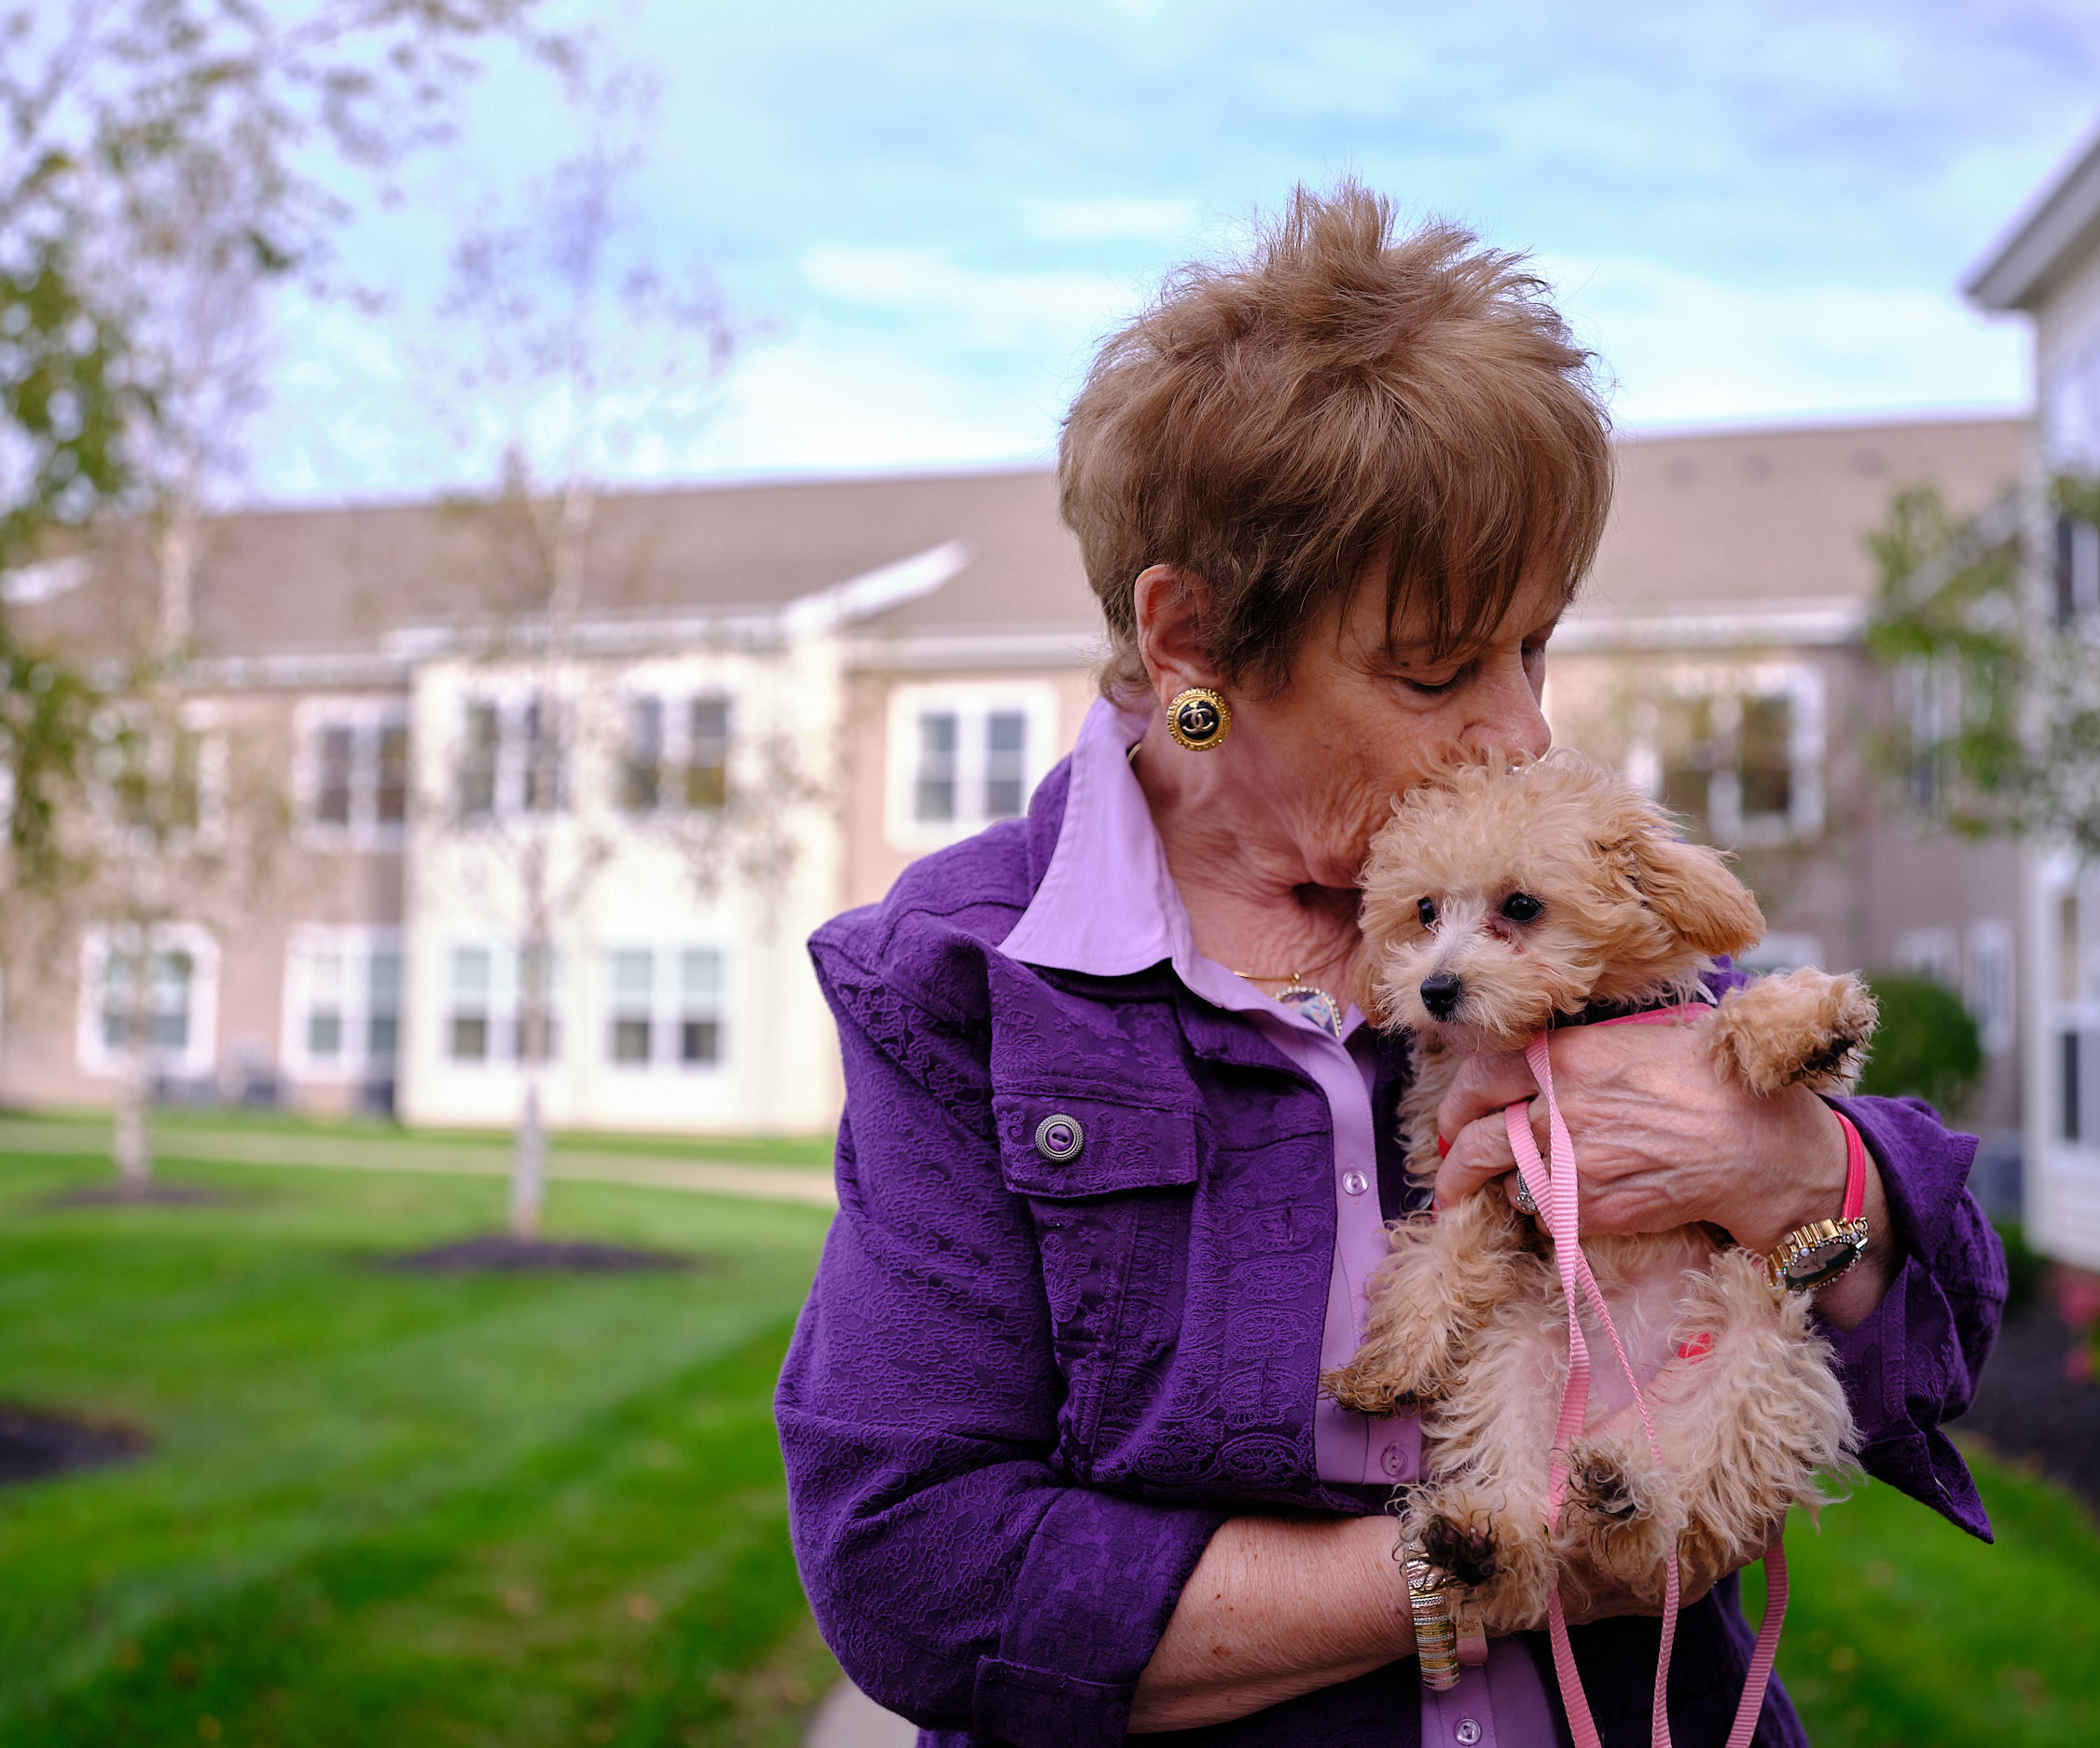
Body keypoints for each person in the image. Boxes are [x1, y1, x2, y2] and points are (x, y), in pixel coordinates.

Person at [776, 182, 2005, 1747]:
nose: (1520, 728)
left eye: (1534, 646)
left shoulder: (1533, 884)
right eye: (1435, 669)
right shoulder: (971, 975)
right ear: (1194, 648)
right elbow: (919, 1573)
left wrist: (1805, 1178)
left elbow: (1941, 1334)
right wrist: (1476, 1567)